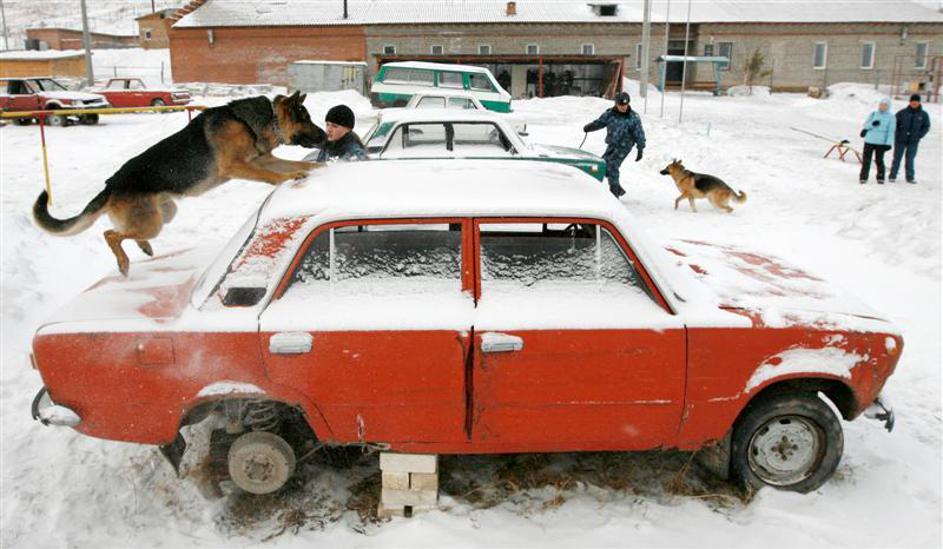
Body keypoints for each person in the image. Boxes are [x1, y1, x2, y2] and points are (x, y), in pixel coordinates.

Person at [583, 91, 646, 197]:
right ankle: (618, 188)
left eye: (625, 105)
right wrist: (590, 127)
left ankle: (614, 192)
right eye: (621, 105)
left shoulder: (633, 117)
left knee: (612, 165)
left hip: (625, 146)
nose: (623, 107)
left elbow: (639, 133)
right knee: (602, 165)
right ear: (616, 104)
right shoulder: (609, 114)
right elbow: (600, 122)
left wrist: (640, 148)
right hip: (612, 144)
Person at [889, 93, 931, 184]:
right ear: (910, 102)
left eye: (916, 102)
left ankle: (910, 177)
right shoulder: (902, 113)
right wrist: (898, 134)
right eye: (913, 101)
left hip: (913, 141)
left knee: (910, 159)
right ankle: (892, 175)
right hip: (900, 140)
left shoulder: (923, 115)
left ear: (919, 102)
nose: (914, 103)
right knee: (897, 158)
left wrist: (919, 135)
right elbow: (894, 124)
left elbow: (926, 126)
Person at [858, 98, 895, 184]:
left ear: (888, 107)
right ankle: (863, 177)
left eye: (885, 105)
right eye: (881, 105)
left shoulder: (891, 117)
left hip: (881, 142)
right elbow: (865, 125)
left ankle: (880, 177)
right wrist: (872, 124)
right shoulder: (873, 114)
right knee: (866, 160)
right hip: (869, 140)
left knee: (879, 160)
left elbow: (891, 131)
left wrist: (888, 143)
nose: (882, 107)